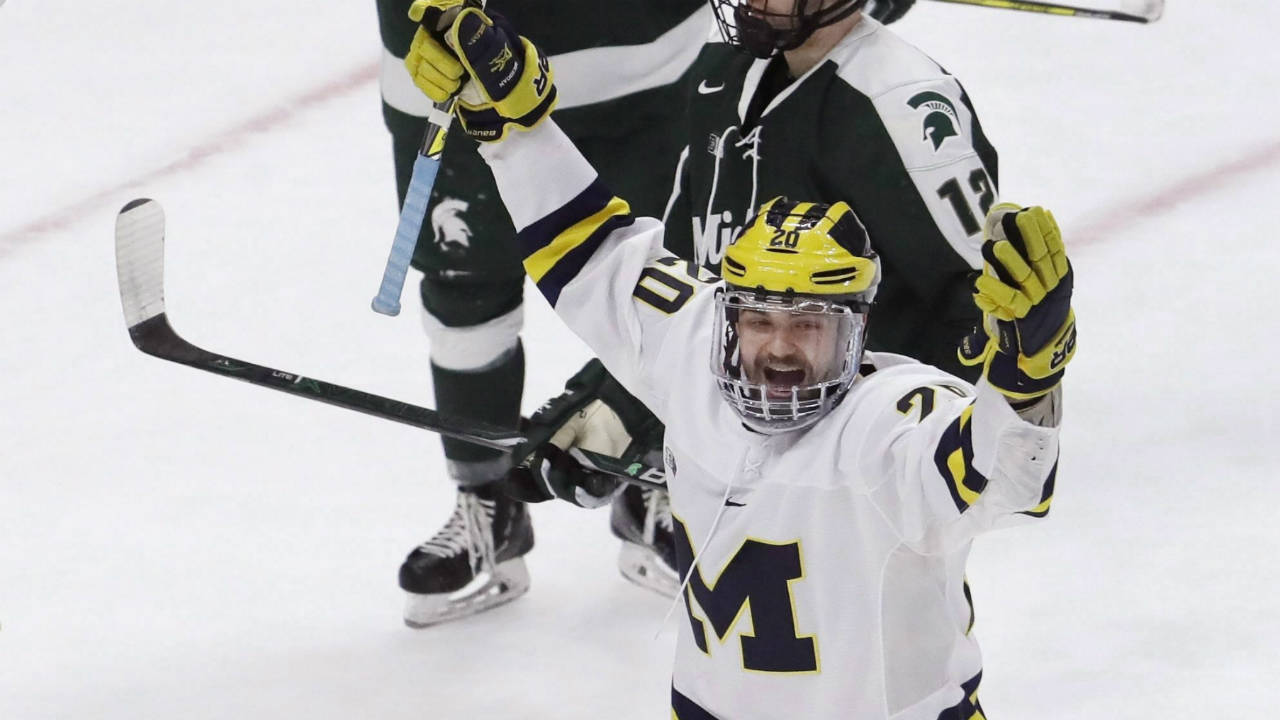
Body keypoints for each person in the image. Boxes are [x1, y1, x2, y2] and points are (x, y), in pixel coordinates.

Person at [401, 9, 1074, 716]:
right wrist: (510, 128)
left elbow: (1006, 468)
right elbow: (606, 256)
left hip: (877, 510)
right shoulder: (696, 336)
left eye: (810, 325)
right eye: (760, 319)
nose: (779, 345)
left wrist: (1022, 378)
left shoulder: (889, 419)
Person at [376, 0, 920, 626]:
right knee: (464, 284)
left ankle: (660, 479)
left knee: (673, 274)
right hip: (459, 63)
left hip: (651, 62)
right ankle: (484, 502)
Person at [498, 0, 993, 609]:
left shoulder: (897, 101)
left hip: (857, 480)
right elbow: (690, 272)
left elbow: (980, 304)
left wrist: (904, 454)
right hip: (747, 452)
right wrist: (616, 397)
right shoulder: (723, 68)